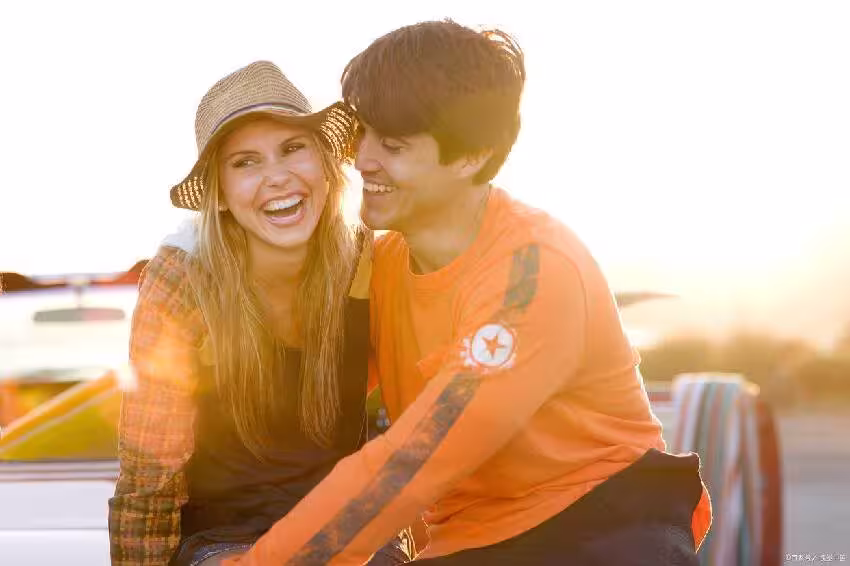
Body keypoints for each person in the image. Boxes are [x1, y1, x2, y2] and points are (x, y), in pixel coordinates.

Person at [227, 21, 713, 566]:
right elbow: (304, 392)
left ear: (471, 156)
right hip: (467, 541)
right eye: (363, 134)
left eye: (393, 145)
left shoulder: (532, 275)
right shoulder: (378, 267)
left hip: (601, 523)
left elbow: (411, 463)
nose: (362, 159)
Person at [107, 61, 411, 566]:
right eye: (245, 162)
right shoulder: (184, 277)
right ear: (221, 195)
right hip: (223, 541)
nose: (277, 177)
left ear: (325, 162)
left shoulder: (365, 259)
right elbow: (149, 472)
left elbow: (424, 409)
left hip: (346, 531)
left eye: (292, 149)